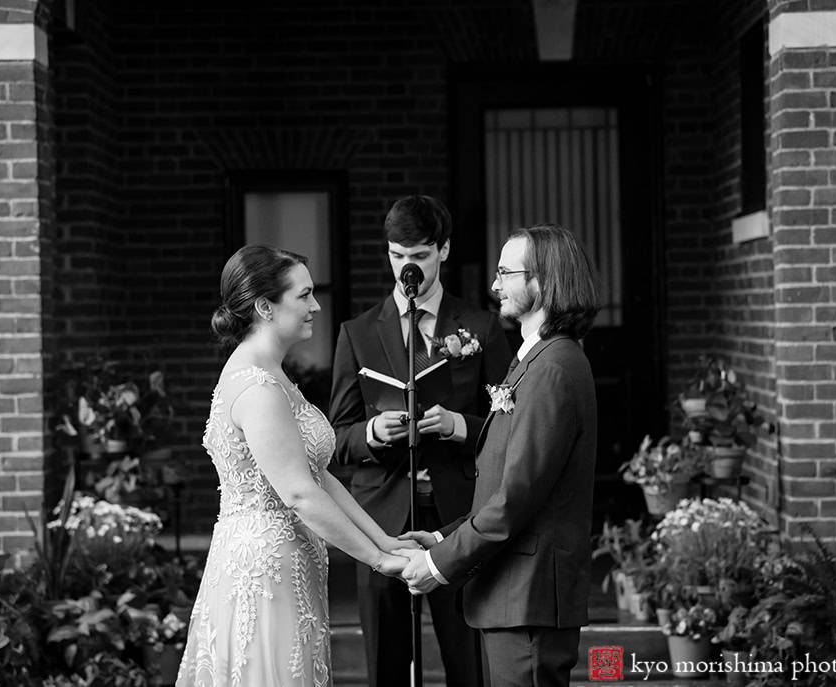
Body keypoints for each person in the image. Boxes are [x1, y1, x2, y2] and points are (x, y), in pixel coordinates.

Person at [176, 245, 414, 687]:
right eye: (304, 296)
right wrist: (378, 561)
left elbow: (318, 477)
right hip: (264, 572)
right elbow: (300, 495)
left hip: (291, 563)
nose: (316, 306)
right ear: (266, 306)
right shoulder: (258, 388)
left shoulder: (276, 375)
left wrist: (385, 540)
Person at [399, 224, 601, 687]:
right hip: (510, 594)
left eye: (506, 273)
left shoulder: (553, 367)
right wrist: (440, 536)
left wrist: (438, 565)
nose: (494, 286)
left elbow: (516, 498)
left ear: (544, 280)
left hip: (528, 598)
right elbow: (502, 485)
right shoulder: (535, 358)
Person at [329, 196, 512, 687]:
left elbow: (512, 427)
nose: (407, 267)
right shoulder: (358, 332)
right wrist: (370, 432)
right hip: (381, 519)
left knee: (467, 659)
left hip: (457, 516)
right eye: (397, 255)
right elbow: (336, 437)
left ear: (444, 250)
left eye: (420, 255)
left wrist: (460, 426)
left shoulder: (482, 327)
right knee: (386, 664)